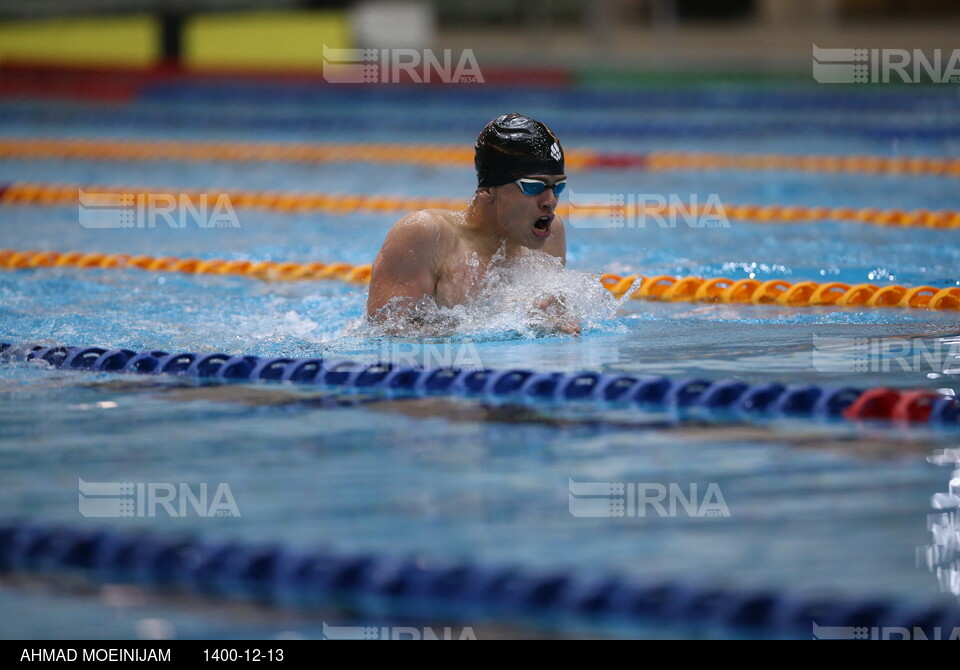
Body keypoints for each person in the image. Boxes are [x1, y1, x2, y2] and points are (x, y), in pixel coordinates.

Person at [365, 113, 579, 335]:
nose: (551, 201)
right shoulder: (426, 234)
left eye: (557, 187)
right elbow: (384, 337)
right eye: (534, 187)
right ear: (488, 189)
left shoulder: (551, 234)